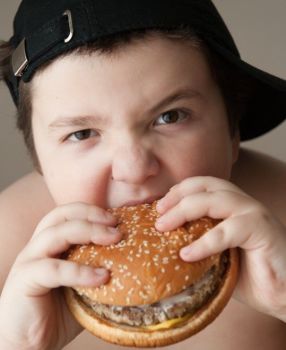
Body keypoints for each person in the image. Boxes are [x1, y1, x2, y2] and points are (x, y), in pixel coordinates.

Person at [0, 0, 286, 349]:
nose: (133, 171)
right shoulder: (8, 244)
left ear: (233, 130)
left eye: (170, 116)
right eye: (82, 134)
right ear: (40, 161)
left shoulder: (280, 216)